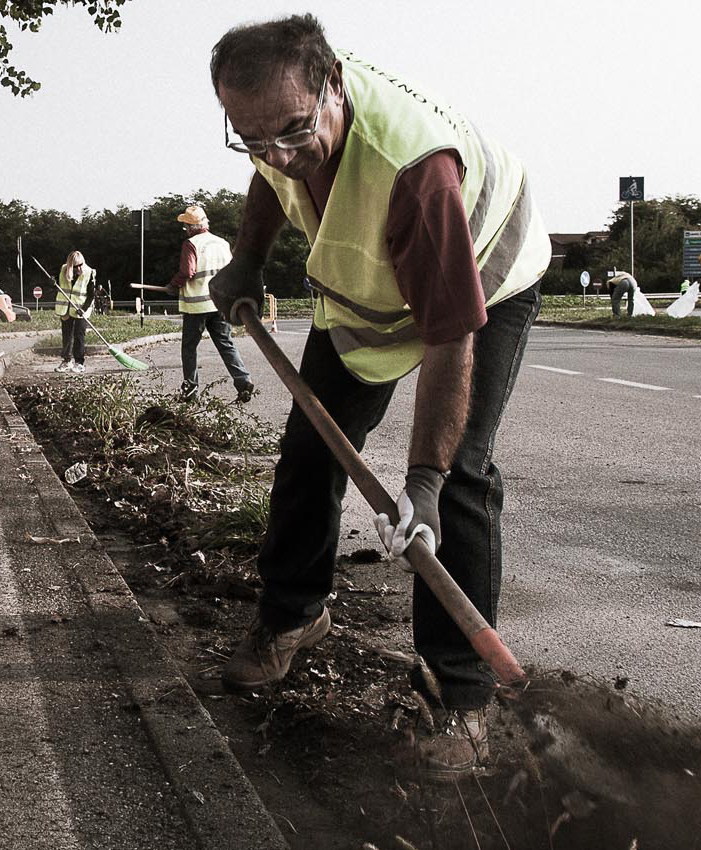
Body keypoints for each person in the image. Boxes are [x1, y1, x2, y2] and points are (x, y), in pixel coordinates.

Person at [207, 16, 550, 780]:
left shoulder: (414, 170)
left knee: (460, 478)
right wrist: (248, 258)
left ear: (333, 85)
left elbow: (449, 340)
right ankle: (294, 615)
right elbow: (271, 178)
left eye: (292, 132)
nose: (277, 154)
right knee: (311, 448)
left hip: (484, 267)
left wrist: (421, 482)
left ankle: (461, 699)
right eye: (252, 138)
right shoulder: (281, 119)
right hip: (372, 292)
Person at [166, 205, 254, 403]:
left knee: (189, 349)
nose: (185, 229)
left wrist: (173, 285)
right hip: (220, 304)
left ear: (190, 227)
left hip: (197, 306)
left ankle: (190, 391)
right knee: (226, 344)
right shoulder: (222, 243)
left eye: (185, 226)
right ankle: (243, 380)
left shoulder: (191, 244)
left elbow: (187, 272)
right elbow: (231, 271)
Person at [53, 250, 94, 374]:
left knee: (79, 336)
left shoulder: (89, 272)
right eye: (76, 266)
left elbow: (91, 295)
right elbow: (58, 283)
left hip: (81, 310)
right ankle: (67, 361)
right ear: (70, 266)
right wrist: (53, 282)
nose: (79, 268)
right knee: (67, 335)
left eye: (81, 265)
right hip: (65, 308)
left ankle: (79, 362)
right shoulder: (63, 269)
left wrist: (84, 309)